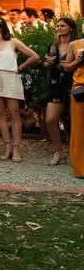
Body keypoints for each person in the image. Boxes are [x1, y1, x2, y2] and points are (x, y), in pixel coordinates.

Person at [0, 17, 40, 163]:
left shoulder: (13, 42)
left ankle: (16, 147)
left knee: (14, 113)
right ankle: (7, 146)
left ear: (1, 26)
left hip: (11, 77)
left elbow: (34, 56)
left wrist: (20, 68)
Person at [43, 18, 77, 165]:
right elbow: (46, 65)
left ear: (71, 28)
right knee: (50, 120)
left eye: (62, 25)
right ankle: (59, 152)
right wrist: (47, 63)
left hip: (74, 84)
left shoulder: (78, 44)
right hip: (56, 85)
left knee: (76, 121)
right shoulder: (53, 45)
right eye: (57, 25)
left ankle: (77, 153)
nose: (58, 28)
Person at [62, 36, 84, 177]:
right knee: (79, 129)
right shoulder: (74, 44)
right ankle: (80, 169)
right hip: (81, 90)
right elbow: (66, 68)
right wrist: (79, 60)